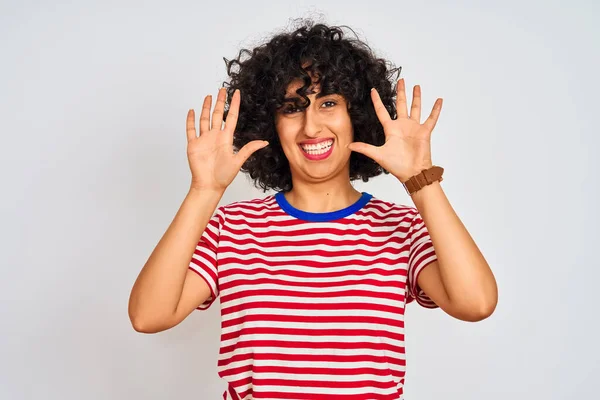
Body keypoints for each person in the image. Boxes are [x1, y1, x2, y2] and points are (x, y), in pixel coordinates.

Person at [128, 20, 498, 400]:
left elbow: (477, 303)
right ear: (270, 125)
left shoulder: (401, 228)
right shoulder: (233, 227)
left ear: (357, 115)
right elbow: (148, 316)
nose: (311, 127)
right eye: (292, 108)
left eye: (329, 103)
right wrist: (204, 191)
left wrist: (422, 179)